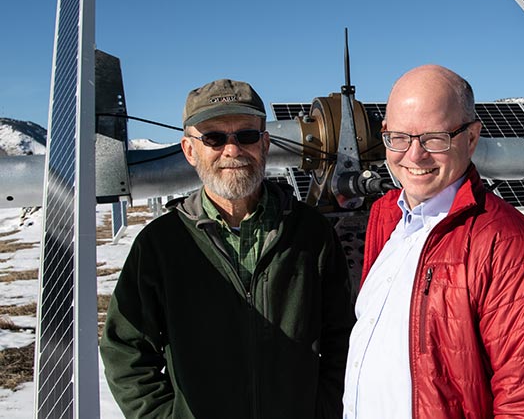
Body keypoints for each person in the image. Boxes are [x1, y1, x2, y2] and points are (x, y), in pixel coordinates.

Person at [101, 78, 355, 418]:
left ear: (265, 144)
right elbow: (125, 350)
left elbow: (342, 338)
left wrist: (323, 409)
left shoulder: (310, 232)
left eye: (246, 135)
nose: (232, 150)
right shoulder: (162, 243)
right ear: (190, 150)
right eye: (214, 138)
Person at [343, 65, 524, 418]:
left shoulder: (507, 244)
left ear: (470, 138)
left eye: (434, 138)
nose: (414, 155)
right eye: (400, 138)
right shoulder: (386, 218)